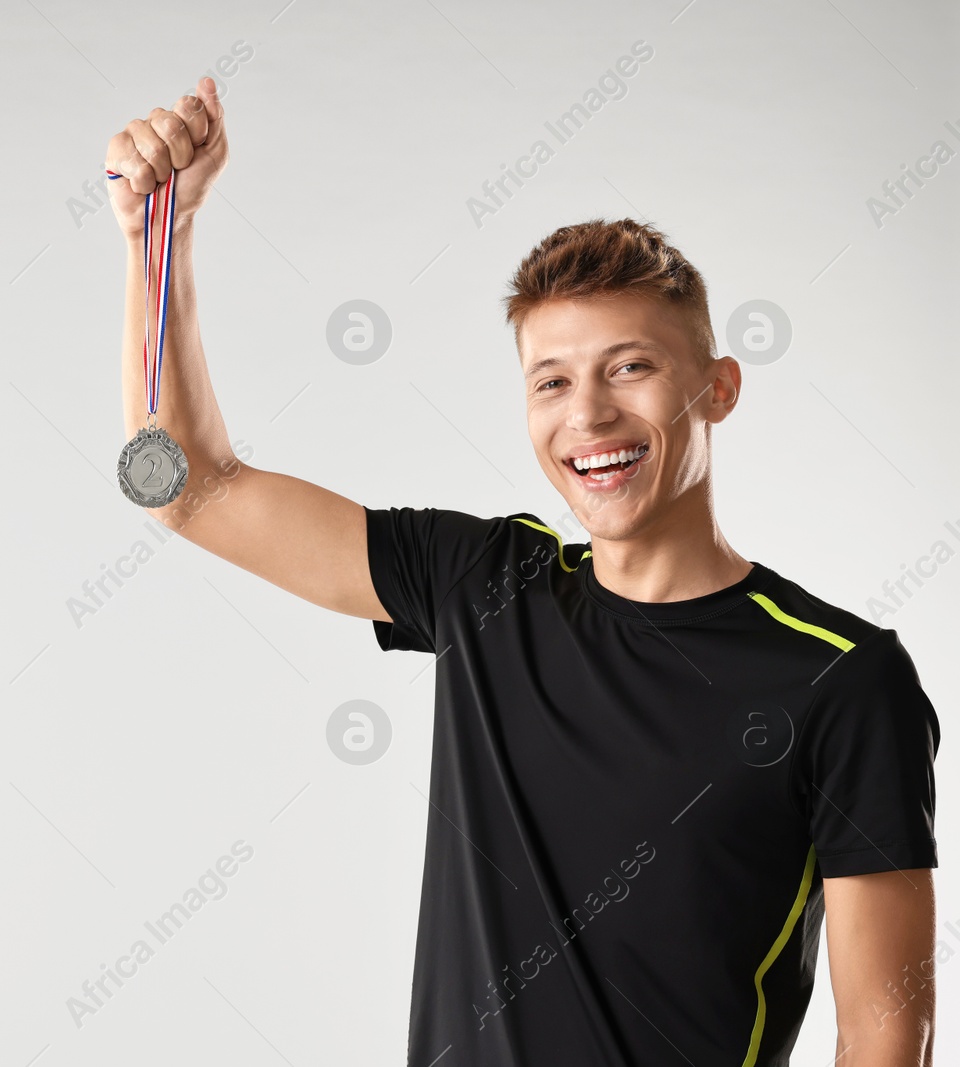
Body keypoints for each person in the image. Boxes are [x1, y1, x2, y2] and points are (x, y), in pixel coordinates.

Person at [103, 75, 940, 1066]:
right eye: (551, 380)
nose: (586, 414)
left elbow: (886, 1034)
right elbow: (187, 487)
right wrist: (160, 238)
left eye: (629, 366)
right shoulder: (482, 583)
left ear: (715, 389)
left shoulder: (843, 677)